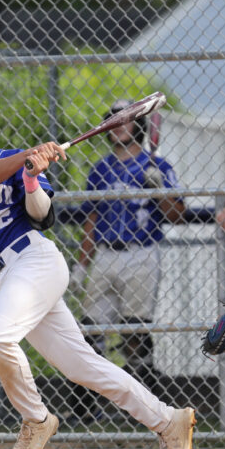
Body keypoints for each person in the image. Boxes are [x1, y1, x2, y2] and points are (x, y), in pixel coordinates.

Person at [0, 88, 195, 449]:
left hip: (34, 262)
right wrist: (27, 157)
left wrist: (32, 177)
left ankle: (36, 419)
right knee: (83, 366)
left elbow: (42, 215)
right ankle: (169, 421)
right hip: (6, 277)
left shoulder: (14, 161)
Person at [71, 100, 184, 392]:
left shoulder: (158, 165)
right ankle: (86, 401)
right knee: (89, 327)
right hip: (106, 254)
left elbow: (177, 214)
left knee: (135, 328)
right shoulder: (100, 169)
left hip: (142, 252)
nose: (118, 126)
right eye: (113, 121)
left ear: (139, 126)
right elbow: (91, 220)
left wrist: (159, 189)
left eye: (125, 121)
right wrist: (82, 264)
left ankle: (143, 395)